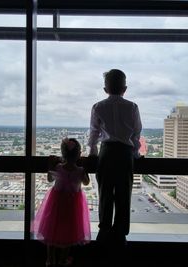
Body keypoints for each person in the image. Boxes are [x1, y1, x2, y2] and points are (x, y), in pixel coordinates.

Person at [88, 69, 142, 246]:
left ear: (105, 89)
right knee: (123, 194)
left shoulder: (98, 107)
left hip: (107, 152)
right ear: (124, 88)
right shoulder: (132, 107)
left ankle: (104, 231)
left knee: (104, 193)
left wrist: (93, 153)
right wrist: (135, 153)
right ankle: (120, 234)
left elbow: (94, 134)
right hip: (125, 154)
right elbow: (136, 133)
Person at [31, 138, 91, 267]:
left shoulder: (58, 168)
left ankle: (50, 259)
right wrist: (85, 168)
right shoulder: (80, 171)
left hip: (56, 203)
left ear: (62, 154)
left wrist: (50, 165)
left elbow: (49, 179)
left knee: (51, 229)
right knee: (69, 231)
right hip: (73, 206)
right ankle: (63, 260)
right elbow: (86, 182)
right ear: (79, 154)